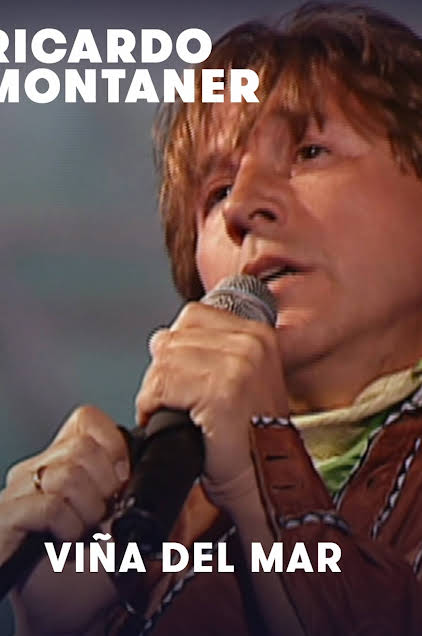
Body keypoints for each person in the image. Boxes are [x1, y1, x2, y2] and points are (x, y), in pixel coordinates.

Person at [2, 2, 422, 634]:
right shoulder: (155, 509)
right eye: (217, 191)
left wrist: (261, 477)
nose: (243, 206)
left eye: (310, 151)